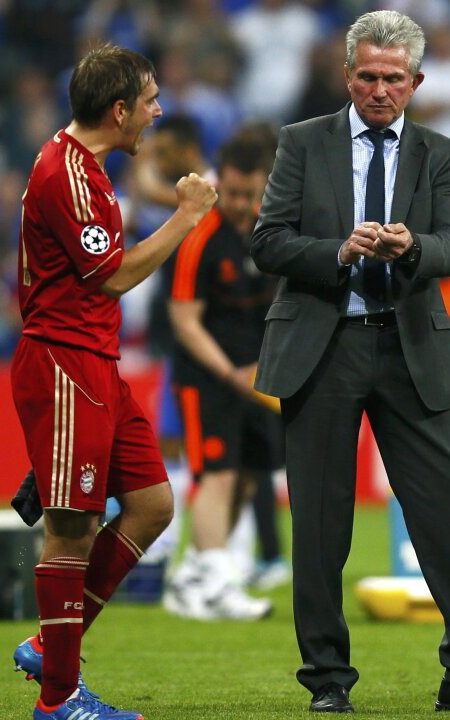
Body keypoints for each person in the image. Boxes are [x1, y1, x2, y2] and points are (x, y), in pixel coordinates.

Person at [250, 10, 450, 715]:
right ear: (346, 75)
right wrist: (338, 251)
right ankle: (327, 680)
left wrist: (412, 247)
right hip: (323, 347)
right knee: (321, 522)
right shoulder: (302, 142)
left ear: (416, 81)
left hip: (409, 345)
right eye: (367, 77)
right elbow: (267, 241)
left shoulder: (440, 152)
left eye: (392, 78)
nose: (379, 90)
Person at [8, 44, 216, 720]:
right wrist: (186, 217)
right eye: (150, 101)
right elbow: (114, 275)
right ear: (119, 109)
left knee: (153, 505)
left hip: (96, 361)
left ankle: (52, 646)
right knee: (72, 529)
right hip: (64, 363)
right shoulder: (66, 174)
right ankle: (59, 699)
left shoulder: (86, 168)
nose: (158, 113)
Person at [163, 134, 281, 621]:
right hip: (207, 377)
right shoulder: (200, 235)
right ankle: (216, 585)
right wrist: (232, 373)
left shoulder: (272, 228)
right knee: (218, 475)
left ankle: (194, 576)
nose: (238, 203)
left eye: (249, 194)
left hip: (258, 377)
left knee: (248, 478)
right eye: (231, 193)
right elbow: (184, 320)